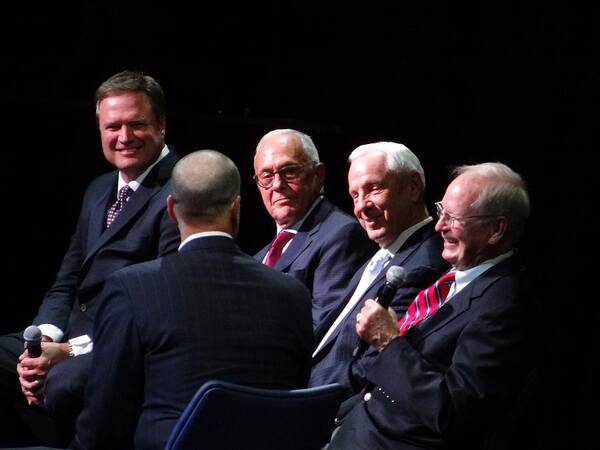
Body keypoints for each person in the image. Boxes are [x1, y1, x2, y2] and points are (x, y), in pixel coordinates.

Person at [74, 150, 314, 450]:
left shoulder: (131, 288)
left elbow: (103, 419)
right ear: (236, 208)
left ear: (171, 210)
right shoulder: (293, 294)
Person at [0, 70, 180, 445]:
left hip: (122, 346)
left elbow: (164, 306)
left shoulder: (182, 189)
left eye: (137, 125)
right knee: (8, 358)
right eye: (113, 126)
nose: (124, 137)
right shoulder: (99, 188)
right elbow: (67, 280)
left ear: (162, 125)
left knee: (64, 381)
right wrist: (41, 343)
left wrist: (66, 351)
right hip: (70, 336)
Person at [328, 162, 537, 450]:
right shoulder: (453, 278)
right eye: (441, 212)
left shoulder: (505, 306)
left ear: (496, 230)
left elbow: (452, 412)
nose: (439, 226)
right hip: (354, 425)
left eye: (454, 218)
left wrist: (388, 342)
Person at [309, 142, 448, 394]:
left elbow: (368, 366)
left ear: (413, 187)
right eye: (355, 195)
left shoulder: (423, 265)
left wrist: (304, 400)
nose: (361, 206)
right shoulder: (385, 255)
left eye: (373, 189)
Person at [253, 129, 375, 331]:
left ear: (318, 175)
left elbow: (320, 326)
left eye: (289, 171)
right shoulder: (259, 257)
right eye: (266, 176)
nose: (277, 184)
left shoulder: (342, 234)